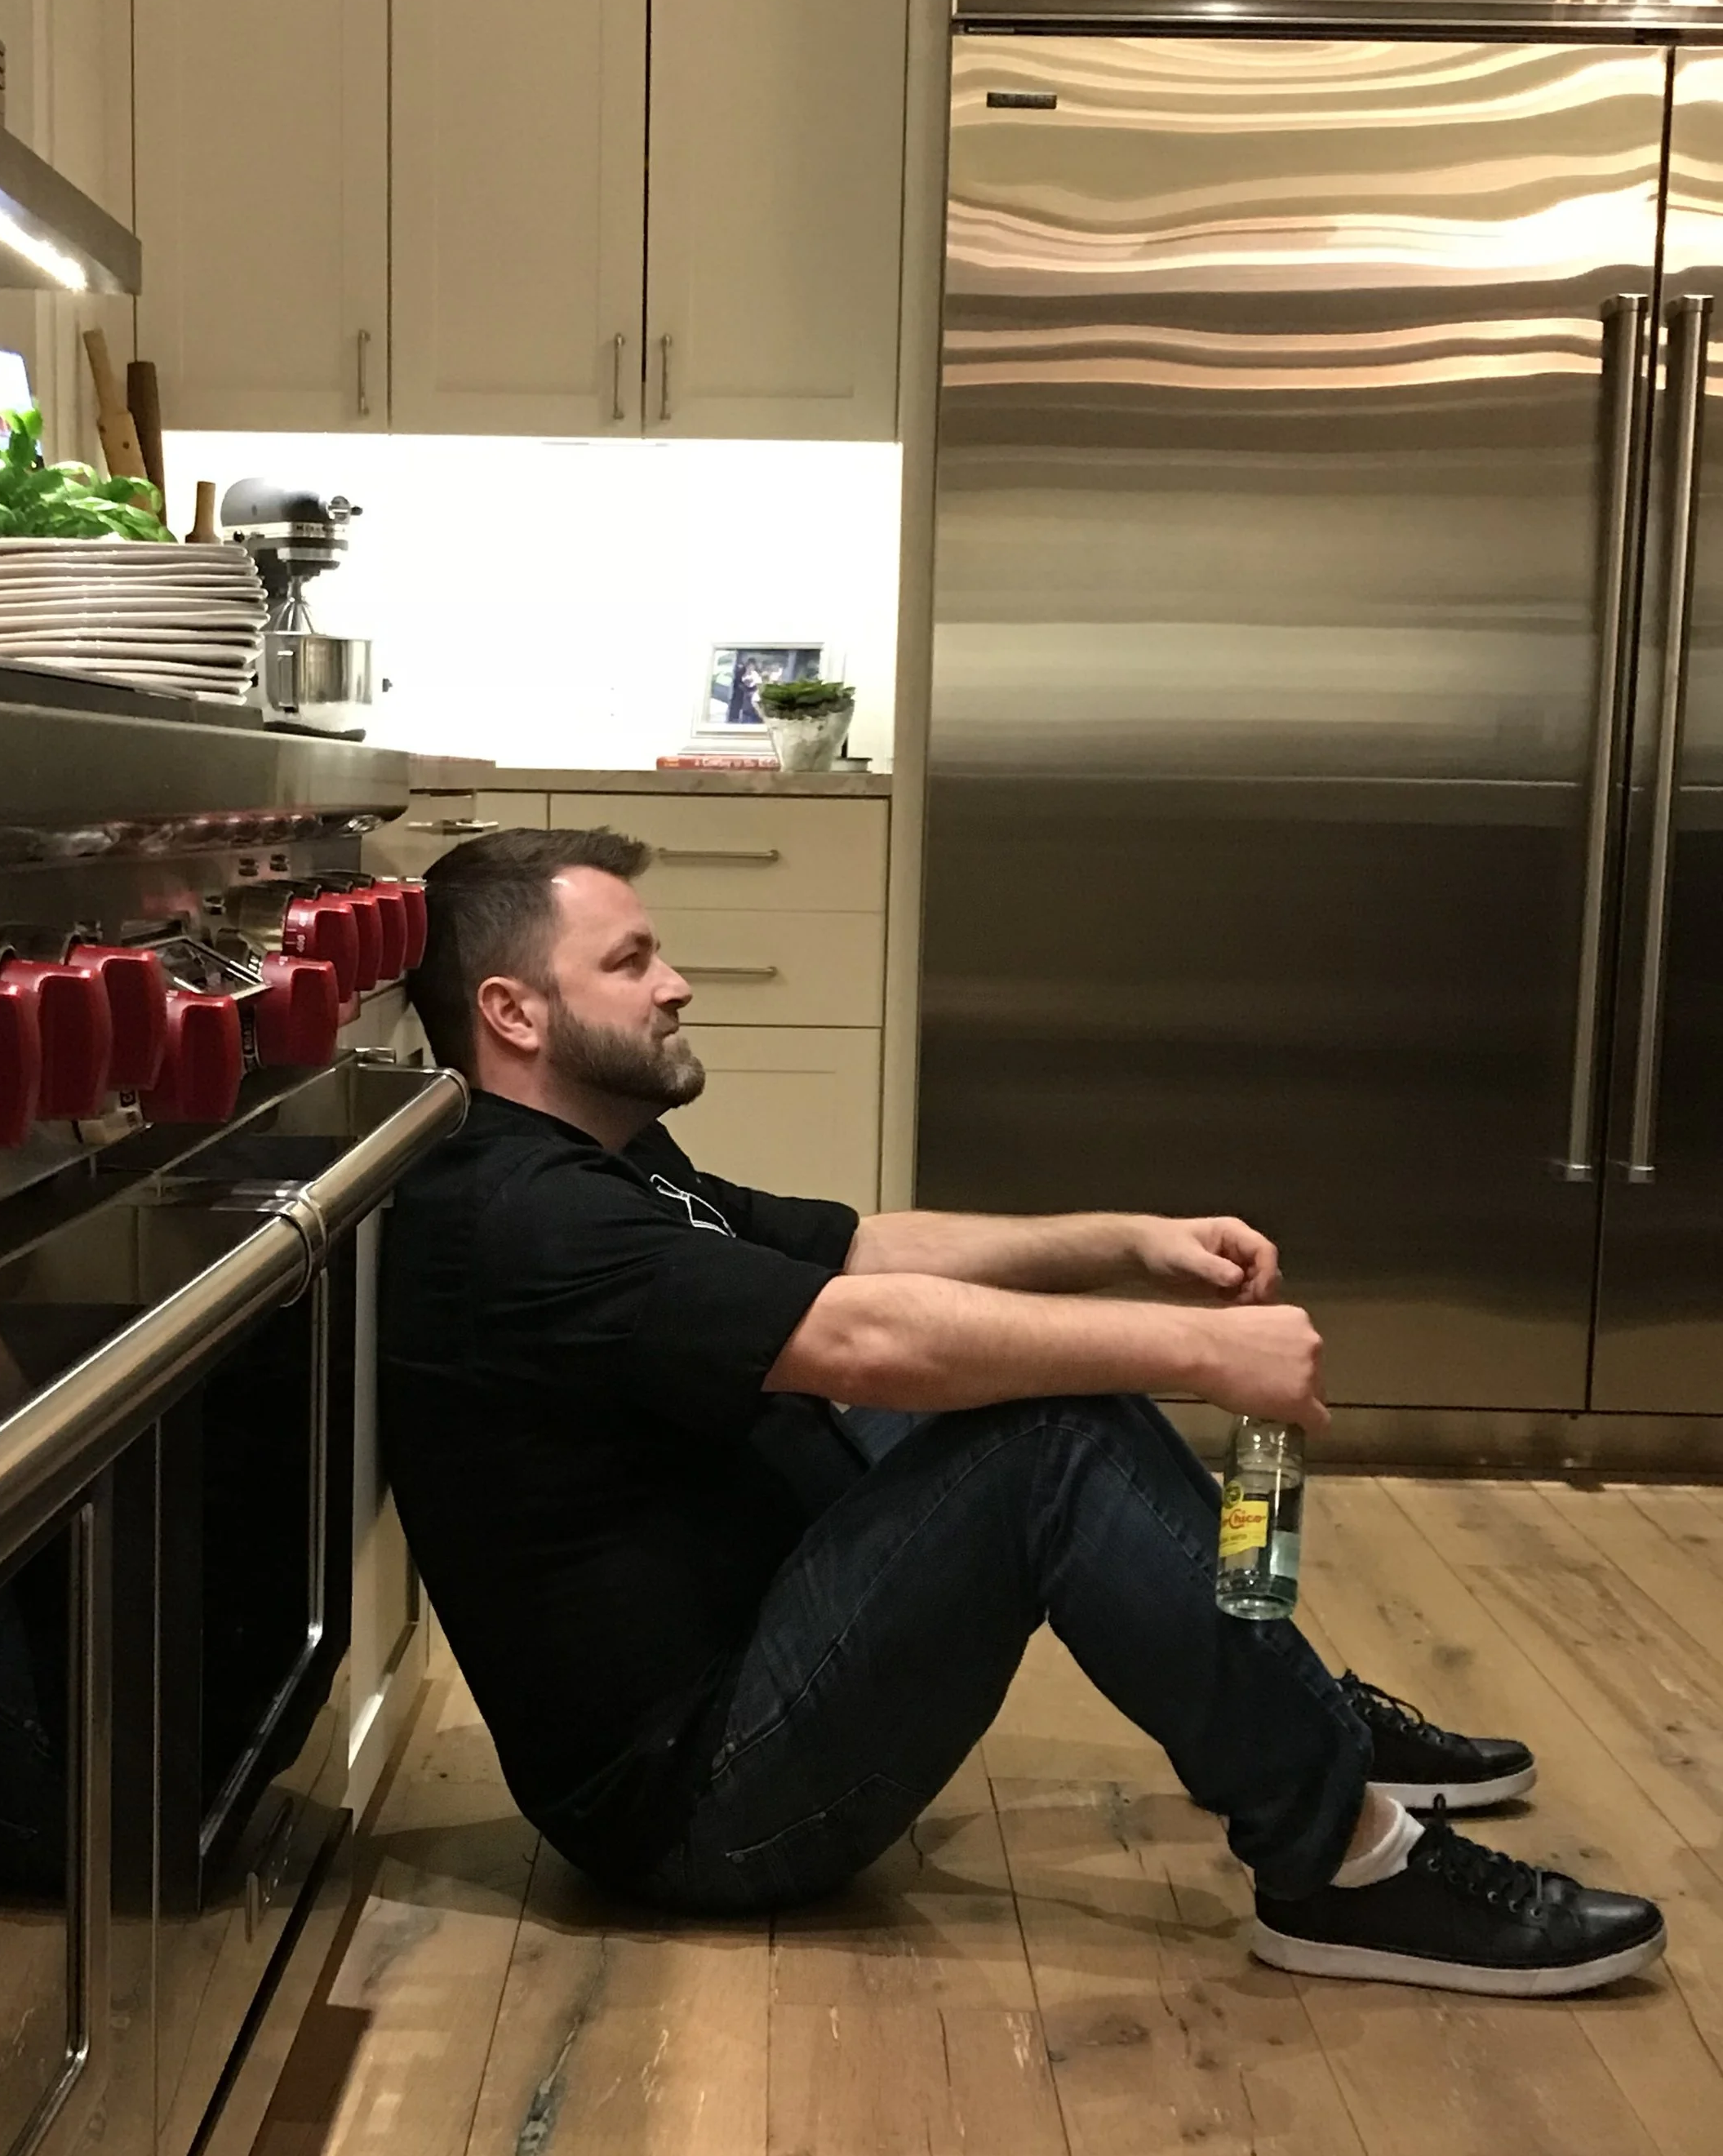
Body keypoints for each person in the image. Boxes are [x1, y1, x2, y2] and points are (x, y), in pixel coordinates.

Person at [381, 827, 1666, 1996]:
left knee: (1047, 1382)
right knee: (1051, 1435)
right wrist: (1202, 1356)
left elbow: (861, 1252)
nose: (678, 983)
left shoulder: (608, 1162)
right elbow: (865, 1337)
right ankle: (1343, 1860)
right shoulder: (520, 1219)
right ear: (514, 1011)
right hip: (703, 1806)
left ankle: (1301, 1716)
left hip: (758, 1636)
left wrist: (1128, 1241)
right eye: (633, 959)